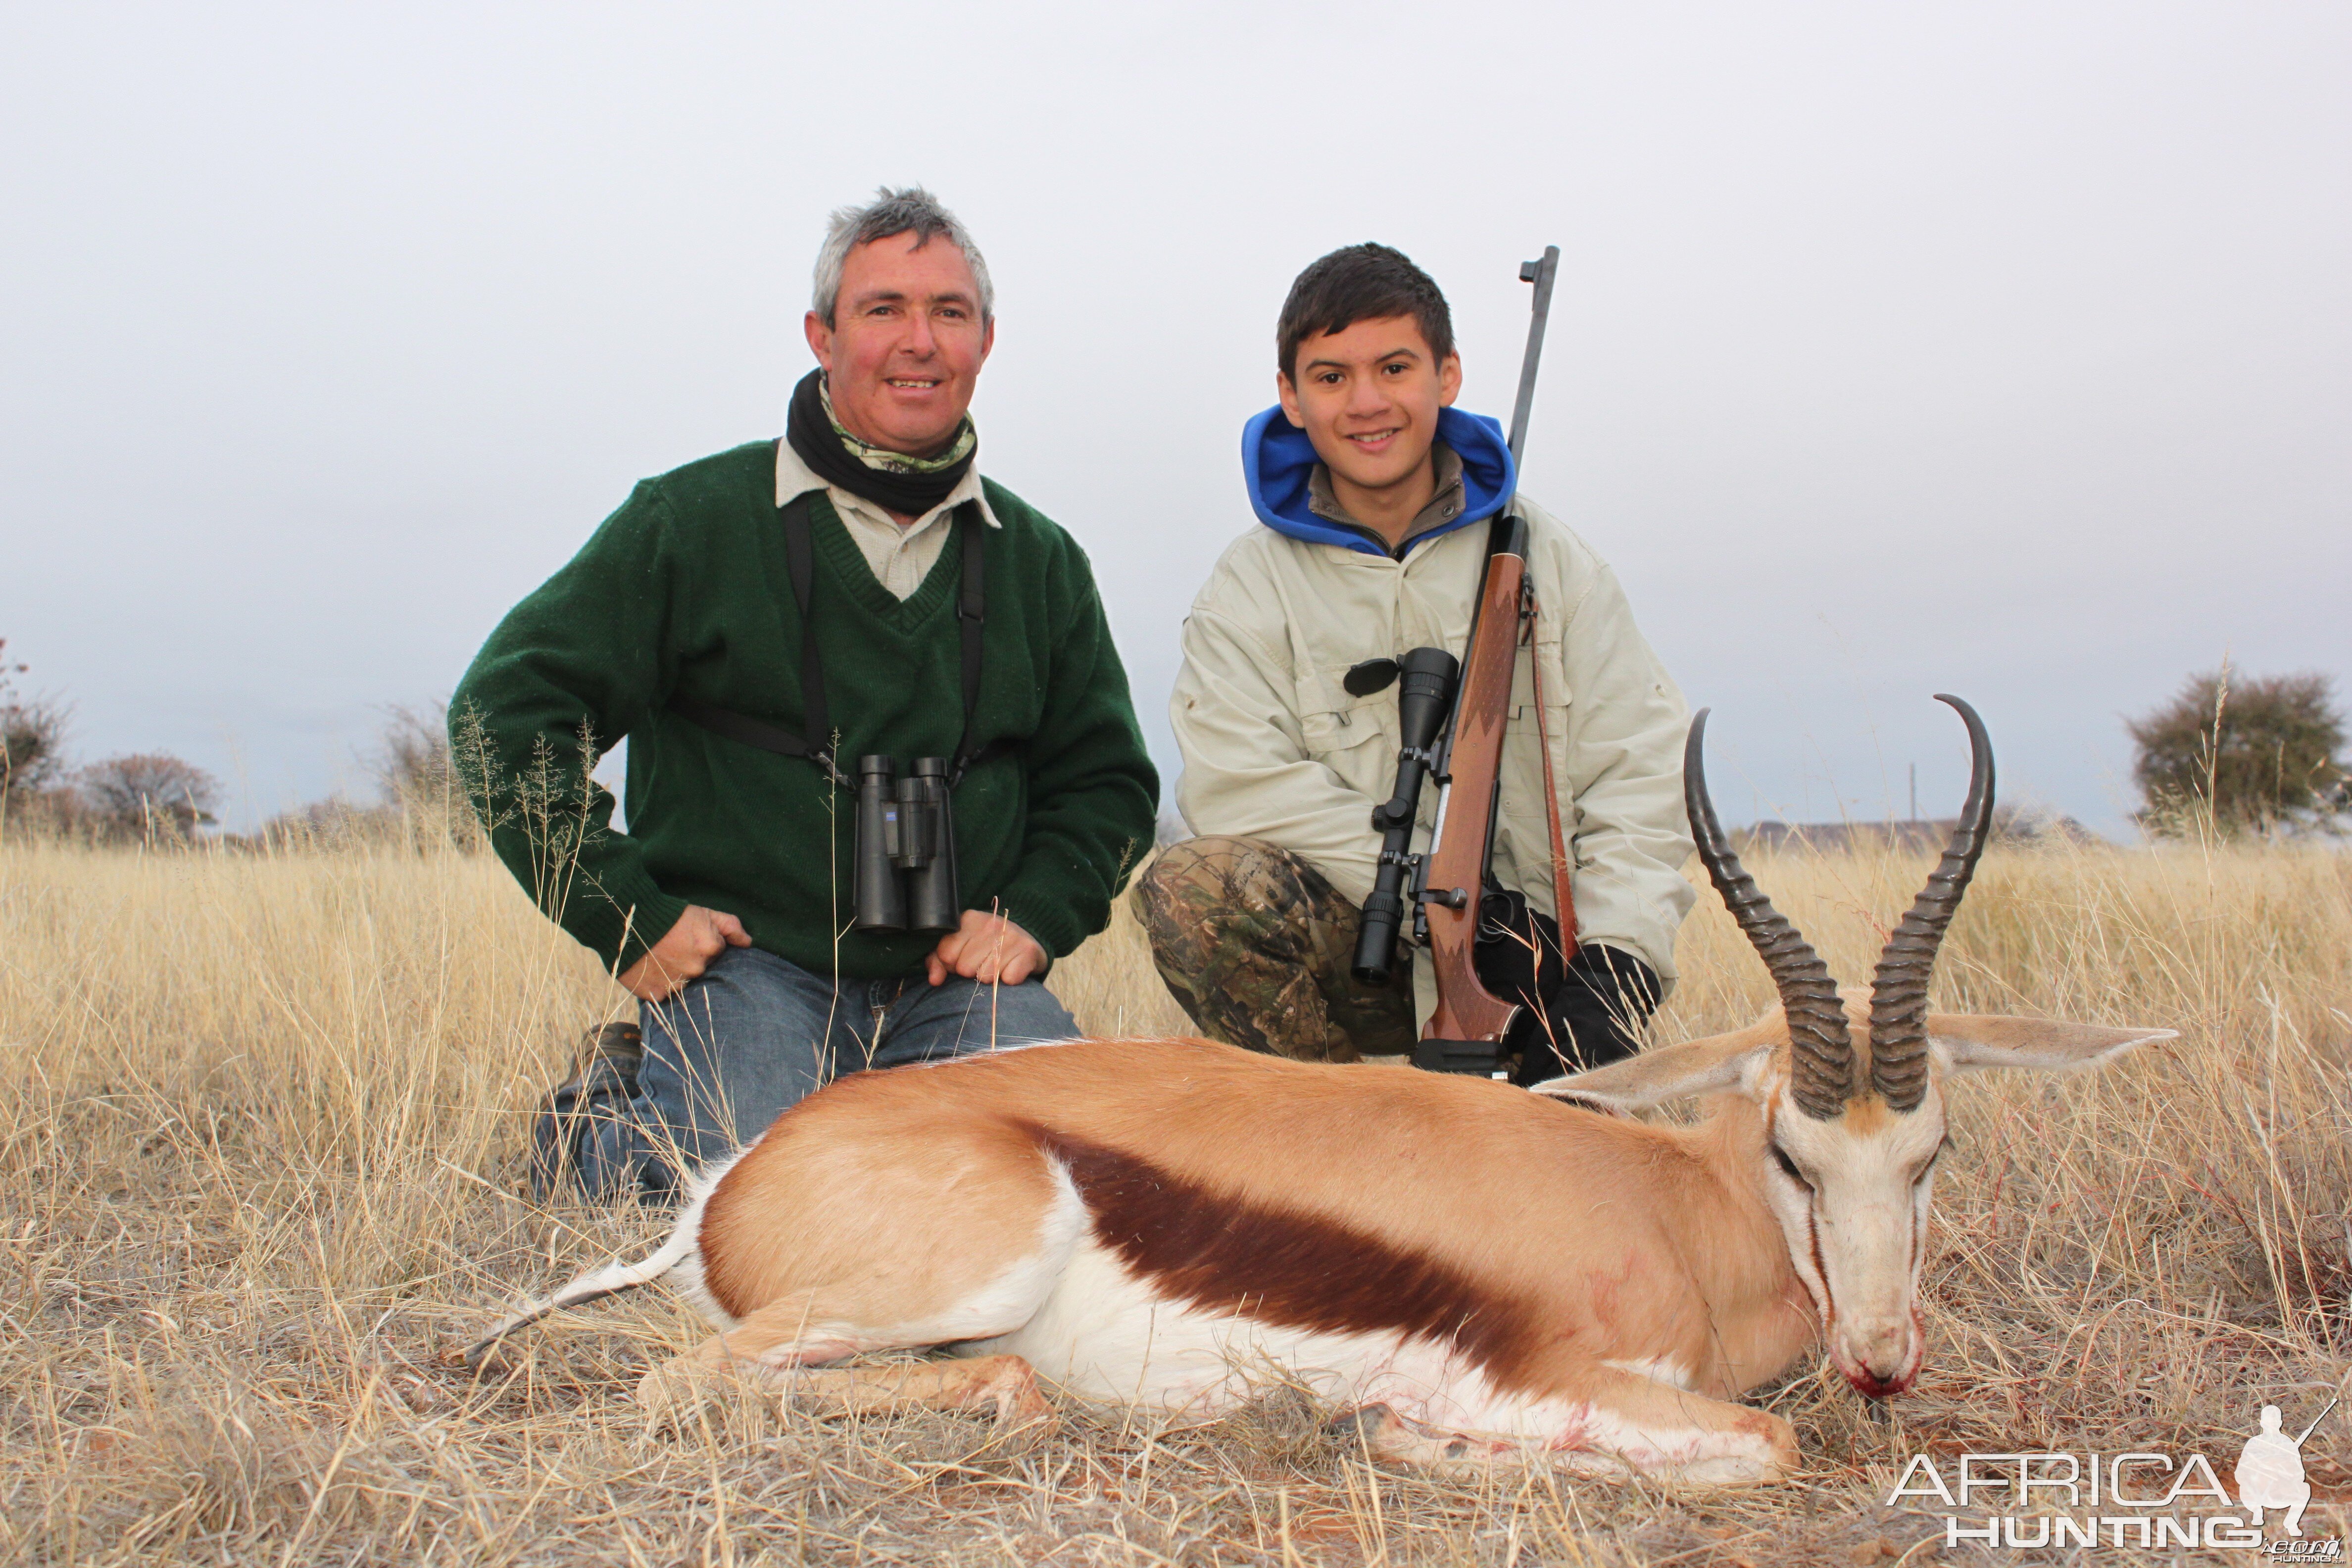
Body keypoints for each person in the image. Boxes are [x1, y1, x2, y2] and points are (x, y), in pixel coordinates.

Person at [453, 187, 1157, 1198]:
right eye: (883, 311)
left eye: (949, 314)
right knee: (755, 1194)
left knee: (1071, 1180)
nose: (919, 342)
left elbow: (1107, 785)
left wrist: (1037, 915)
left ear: (986, 341)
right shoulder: (690, 520)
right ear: (823, 335)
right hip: (751, 970)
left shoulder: (1042, 560)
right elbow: (503, 710)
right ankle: (598, 1130)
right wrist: (627, 916)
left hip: (954, 984)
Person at [1139, 244, 1692, 1082]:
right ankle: (1336, 1152)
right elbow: (1232, 782)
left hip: (1546, 968)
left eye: (1394, 368)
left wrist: (1615, 973)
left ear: (1448, 375)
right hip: (1368, 948)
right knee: (1194, 887)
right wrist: (1442, 893)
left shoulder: (1552, 559)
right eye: (1331, 378)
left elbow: (1640, 772)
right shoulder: (1247, 588)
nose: (1367, 403)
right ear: (1289, 395)